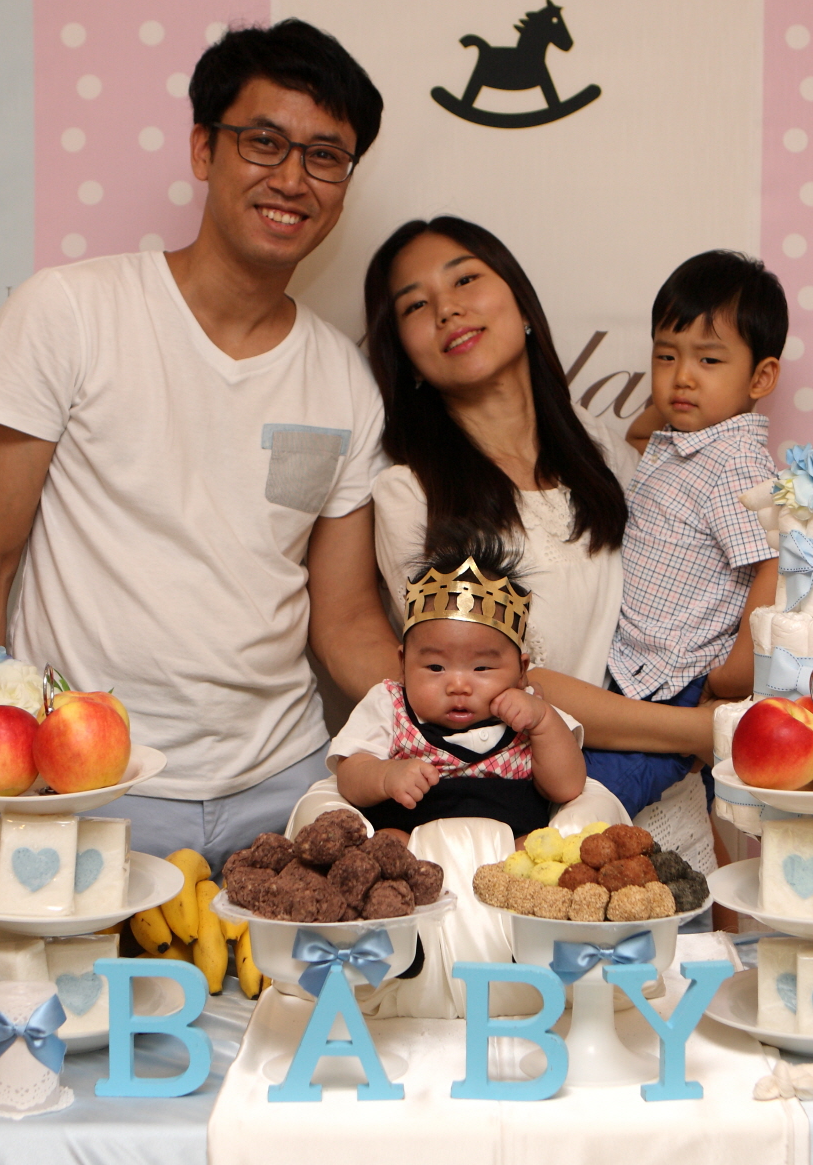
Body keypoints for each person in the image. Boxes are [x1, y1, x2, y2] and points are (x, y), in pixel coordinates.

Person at [0, 21, 399, 868]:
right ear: (203, 149)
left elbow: (344, 620)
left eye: (325, 156)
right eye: (264, 142)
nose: (291, 178)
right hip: (90, 780)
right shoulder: (68, 312)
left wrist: (456, 712)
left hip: (286, 784)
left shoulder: (343, 377)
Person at [360, 217, 719, 792]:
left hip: (665, 794)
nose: (447, 309)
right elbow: (496, 685)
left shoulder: (597, 447)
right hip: (532, 815)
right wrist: (704, 731)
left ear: (522, 303)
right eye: (415, 305)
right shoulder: (411, 497)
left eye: (465, 280)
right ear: (403, 353)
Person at [585, 250, 784, 816]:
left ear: (761, 377)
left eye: (709, 360)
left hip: (679, 680)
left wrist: (738, 670)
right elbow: (637, 437)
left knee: (596, 802)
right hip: (638, 669)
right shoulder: (680, 444)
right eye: (666, 356)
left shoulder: (735, 462)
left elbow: (775, 560)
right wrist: (670, 401)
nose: (683, 376)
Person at [330, 541, 586, 841]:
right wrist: (386, 776)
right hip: (413, 843)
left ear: (521, 671)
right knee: (387, 840)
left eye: (482, 668)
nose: (458, 687)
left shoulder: (532, 713)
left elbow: (567, 788)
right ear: (403, 664)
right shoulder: (389, 704)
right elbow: (349, 775)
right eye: (436, 667)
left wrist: (543, 722)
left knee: (537, 846)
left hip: (509, 847)